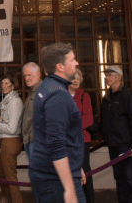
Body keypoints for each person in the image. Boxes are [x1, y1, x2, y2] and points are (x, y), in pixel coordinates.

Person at [29, 43, 85, 203]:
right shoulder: (58, 95)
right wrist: (69, 189)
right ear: (60, 66)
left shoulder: (48, 87)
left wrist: (75, 167)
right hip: (54, 180)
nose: (76, 63)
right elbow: (56, 143)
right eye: (72, 59)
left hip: (52, 174)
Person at [101, 65, 132, 203]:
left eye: (110, 75)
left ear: (119, 76)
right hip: (113, 144)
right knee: (119, 179)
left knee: (131, 179)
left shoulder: (128, 96)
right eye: (106, 75)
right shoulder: (106, 97)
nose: (107, 78)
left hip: (127, 146)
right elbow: (104, 120)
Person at [0, 73, 24, 203]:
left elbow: (12, 129)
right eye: (2, 83)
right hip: (6, 141)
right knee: (1, 173)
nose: (3, 86)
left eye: (6, 83)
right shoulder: (8, 99)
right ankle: (4, 198)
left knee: (10, 176)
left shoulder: (14, 102)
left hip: (11, 141)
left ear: (13, 86)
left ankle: (16, 200)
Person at [69, 70, 94, 203]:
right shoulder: (62, 96)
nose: (76, 81)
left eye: (78, 78)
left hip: (82, 140)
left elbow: (89, 119)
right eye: (73, 78)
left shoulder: (84, 96)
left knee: (85, 172)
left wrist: (72, 128)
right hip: (66, 142)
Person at [21, 62, 42, 182]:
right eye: (25, 76)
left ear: (38, 75)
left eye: (29, 75)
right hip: (29, 139)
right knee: (35, 176)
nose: (27, 78)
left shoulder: (42, 91)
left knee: (39, 176)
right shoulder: (31, 91)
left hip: (37, 140)